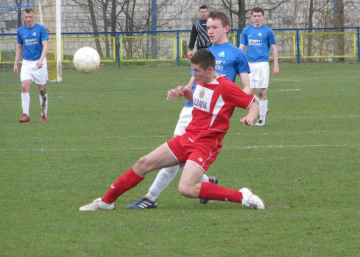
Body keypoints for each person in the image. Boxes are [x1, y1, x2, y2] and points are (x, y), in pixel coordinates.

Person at [79, 49, 264, 211]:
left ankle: (241, 196)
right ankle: (106, 201)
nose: (194, 74)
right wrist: (185, 94)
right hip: (187, 138)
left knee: (186, 188)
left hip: (205, 145)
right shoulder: (202, 81)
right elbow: (203, 103)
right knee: (143, 163)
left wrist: (250, 117)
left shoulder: (225, 87)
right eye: (193, 70)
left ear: (210, 69)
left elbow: (253, 103)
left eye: (197, 71)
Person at [125, 11, 252, 209]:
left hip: (212, 115)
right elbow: (192, 82)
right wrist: (182, 91)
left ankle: (151, 197)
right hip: (191, 108)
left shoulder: (237, 53)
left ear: (226, 28)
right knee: (179, 156)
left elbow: (246, 87)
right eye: (208, 27)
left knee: (176, 158)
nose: (209, 31)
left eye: (214, 27)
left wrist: (231, 107)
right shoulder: (204, 52)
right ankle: (205, 184)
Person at [239, 7, 279, 127]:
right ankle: (263, 108)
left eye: (259, 16)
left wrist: (276, 65)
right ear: (251, 17)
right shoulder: (246, 31)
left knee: (261, 91)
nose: (257, 18)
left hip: (262, 64)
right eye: (254, 16)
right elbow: (241, 47)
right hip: (249, 65)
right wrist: (238, 62)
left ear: (263, 17)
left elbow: (274, 48)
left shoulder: (268, 31)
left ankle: (261, 119)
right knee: (247, 93)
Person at [14, 8, 49, 123]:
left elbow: (45, 46)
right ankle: (26, 114)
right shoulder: (21, 30)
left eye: (30, 17)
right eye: (26, 17)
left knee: (41, 90)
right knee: (24, 86)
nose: (28, 19)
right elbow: (19, 48)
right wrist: (16, 64)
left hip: (39, 62)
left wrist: (41, 60)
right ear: (24, 18)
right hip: (27, 63)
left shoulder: (41, 29)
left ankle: (43, 115)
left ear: (34, 17)